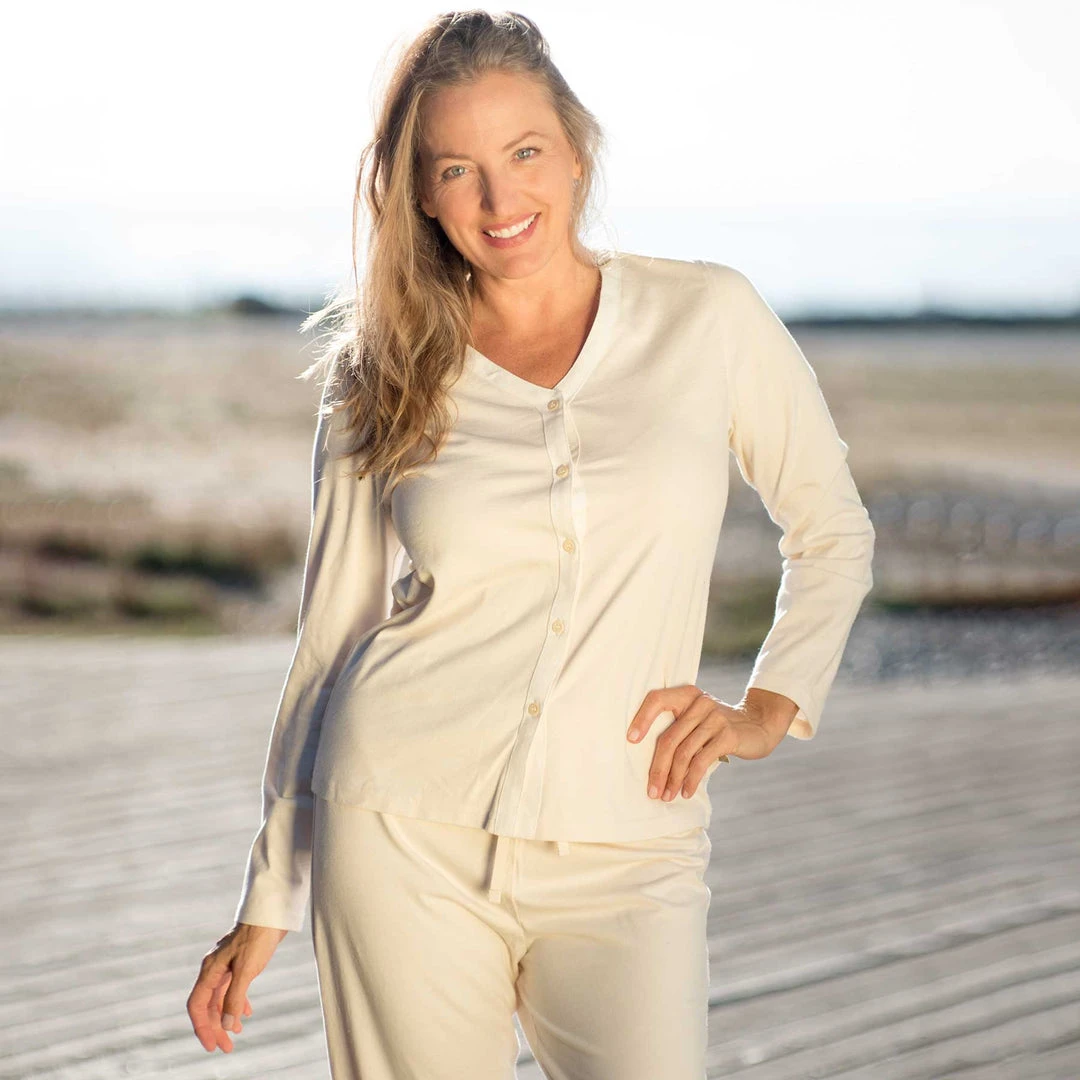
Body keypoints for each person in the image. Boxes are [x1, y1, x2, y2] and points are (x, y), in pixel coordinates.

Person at [187, 9, 875, 1078]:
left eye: (524, 154)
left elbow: (830, 528)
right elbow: (331, 640)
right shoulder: (383, 367)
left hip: (631, 839)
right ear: (420, 193)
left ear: (576, 152)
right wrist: (271, 891)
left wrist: (769, 706)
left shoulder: (708, 317)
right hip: (398, 832)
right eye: (457, 170)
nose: (501, 201)